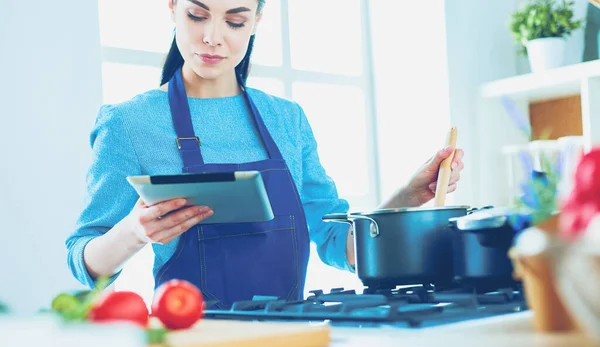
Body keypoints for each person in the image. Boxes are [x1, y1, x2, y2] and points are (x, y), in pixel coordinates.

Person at [66, 0, 465, 308]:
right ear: (172, 7)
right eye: (197, 16)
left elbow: (335, 240)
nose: (212, 37)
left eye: (235, 21)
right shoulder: (129, 123)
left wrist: (406, 199)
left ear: (257, 19)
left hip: (289, 343)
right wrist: (133, 232)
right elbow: (84, 261)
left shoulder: (287, 120)